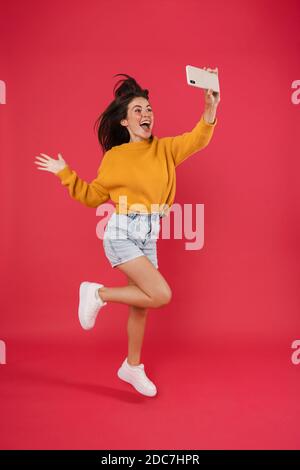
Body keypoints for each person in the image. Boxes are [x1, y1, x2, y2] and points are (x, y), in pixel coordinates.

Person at [34, 69, 220, 397]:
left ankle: (132, 367)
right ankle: (97, 293)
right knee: (160, 294)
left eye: (148, 109)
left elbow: (198, 138)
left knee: (143, 303)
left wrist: (210, 107)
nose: (146, 114)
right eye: (138, 110)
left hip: (150, 234)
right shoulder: (114, 158)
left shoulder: (165, 149)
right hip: (122, 232)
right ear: (124, 121)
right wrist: (66, 173)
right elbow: (93, 196)